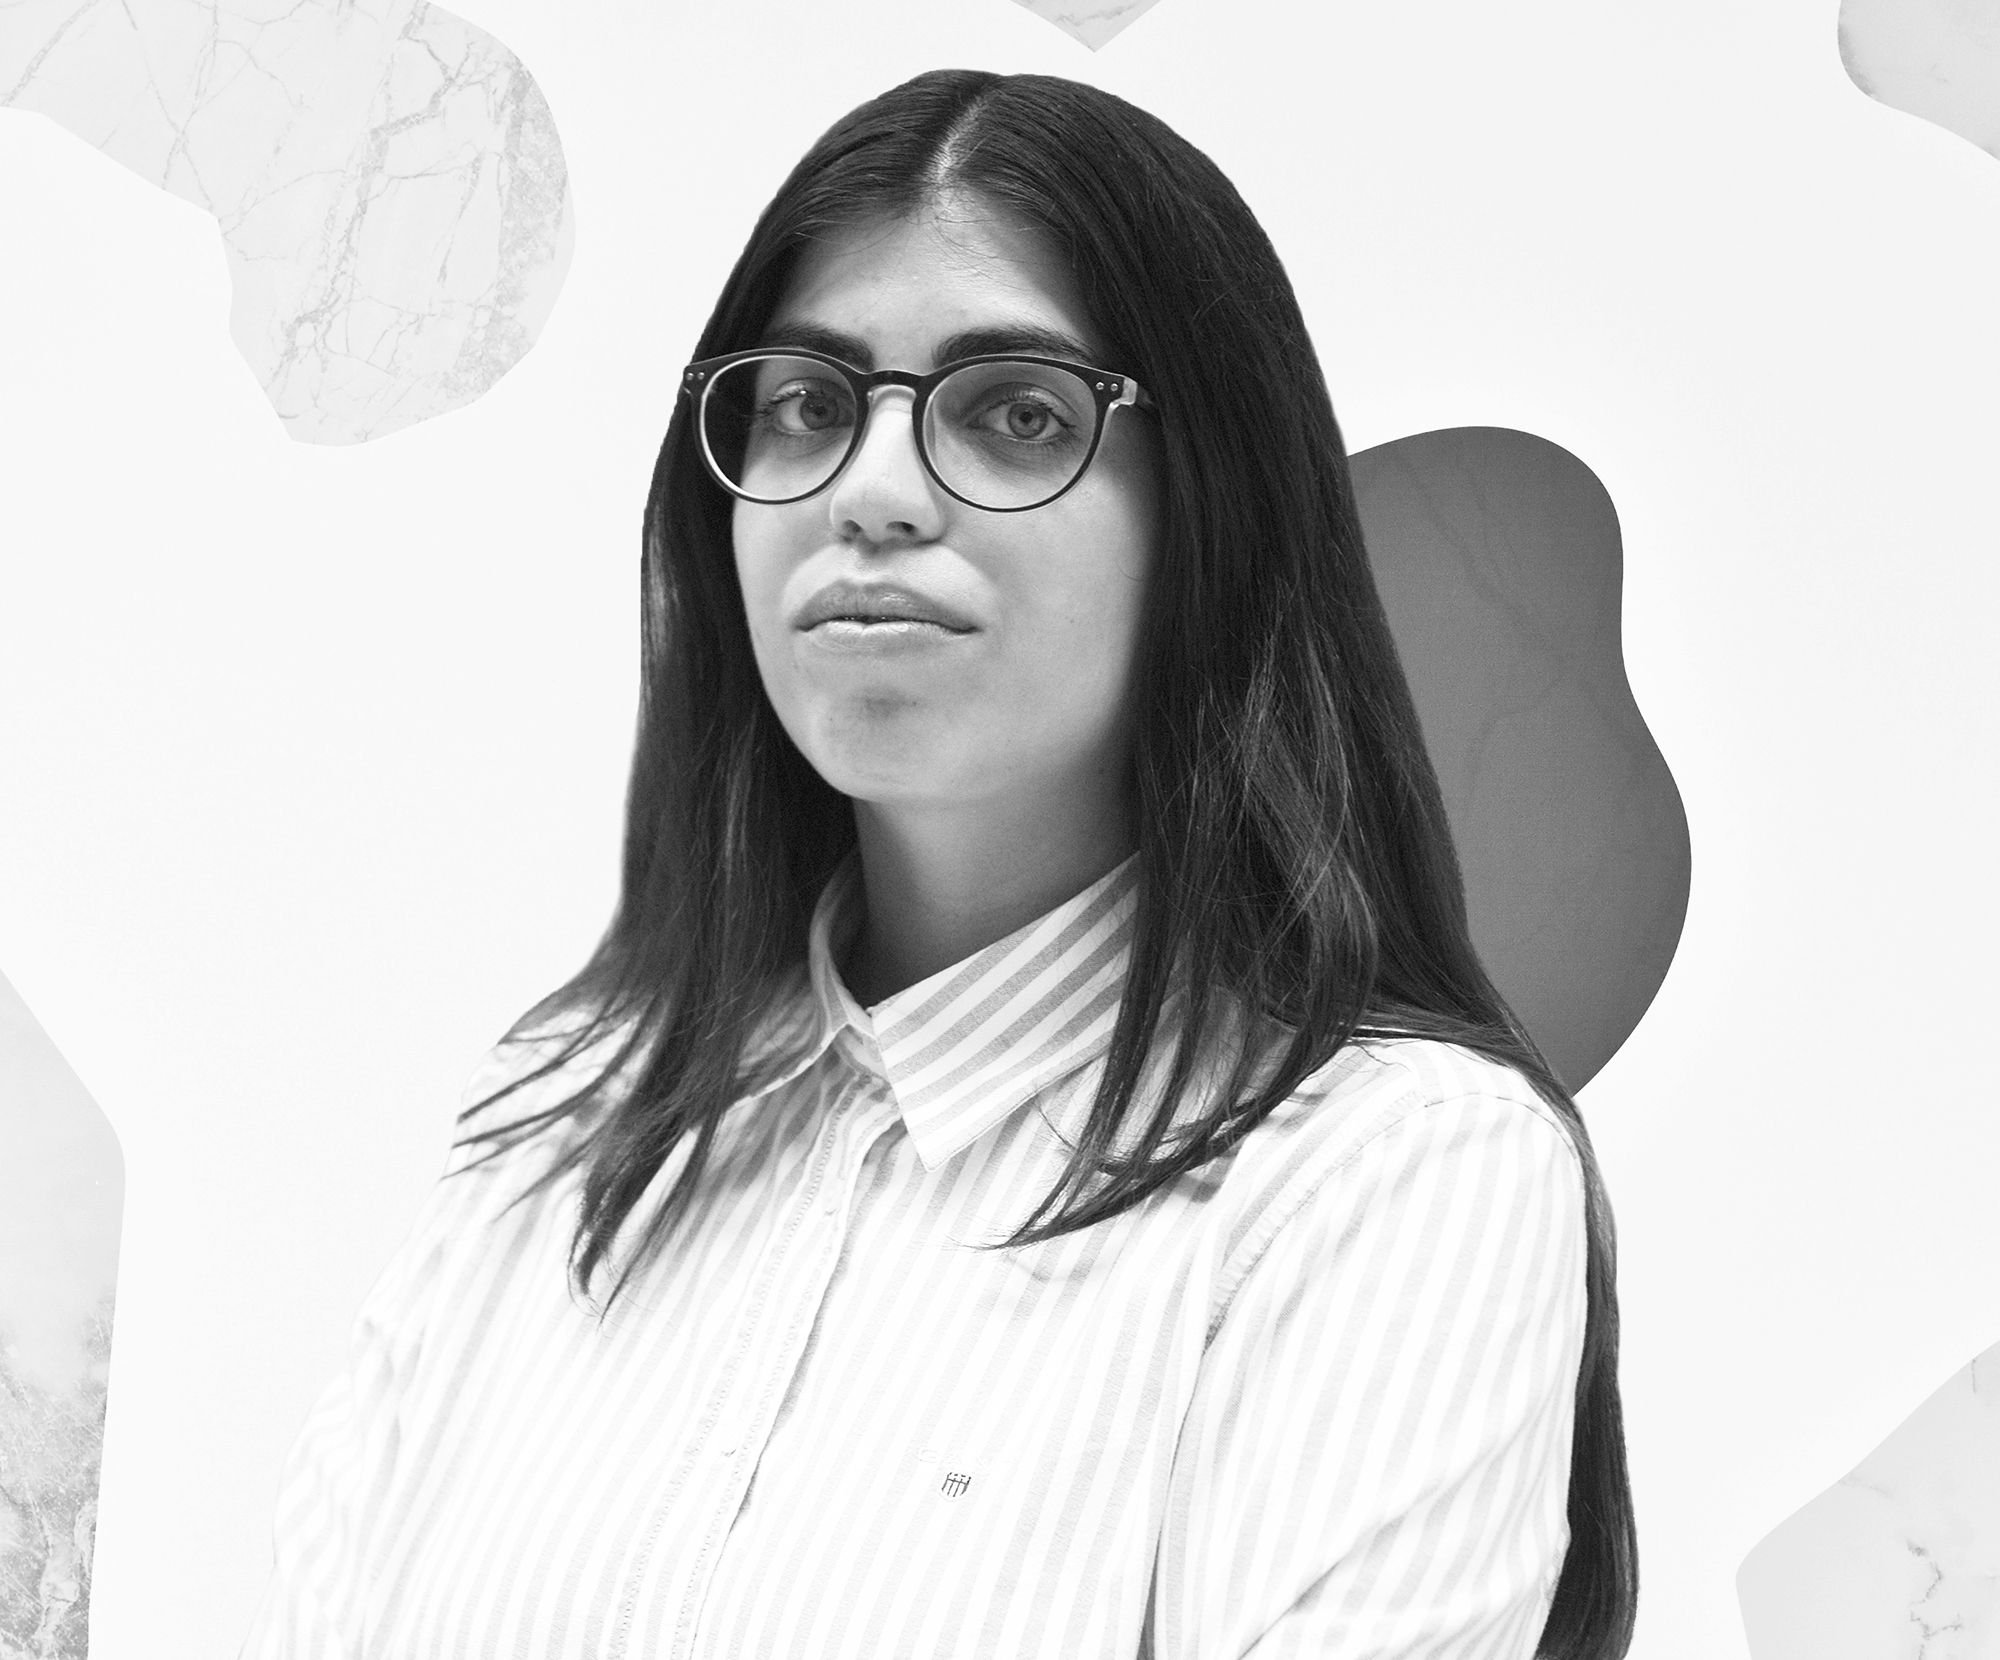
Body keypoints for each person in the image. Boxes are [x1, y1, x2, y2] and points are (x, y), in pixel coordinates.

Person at [243, 68, 1637, 1660]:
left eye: (1016, 412)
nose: (873, 493)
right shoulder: (557, 1127)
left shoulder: (1389, 1176)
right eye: (808, 404)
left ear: (1214, 508)